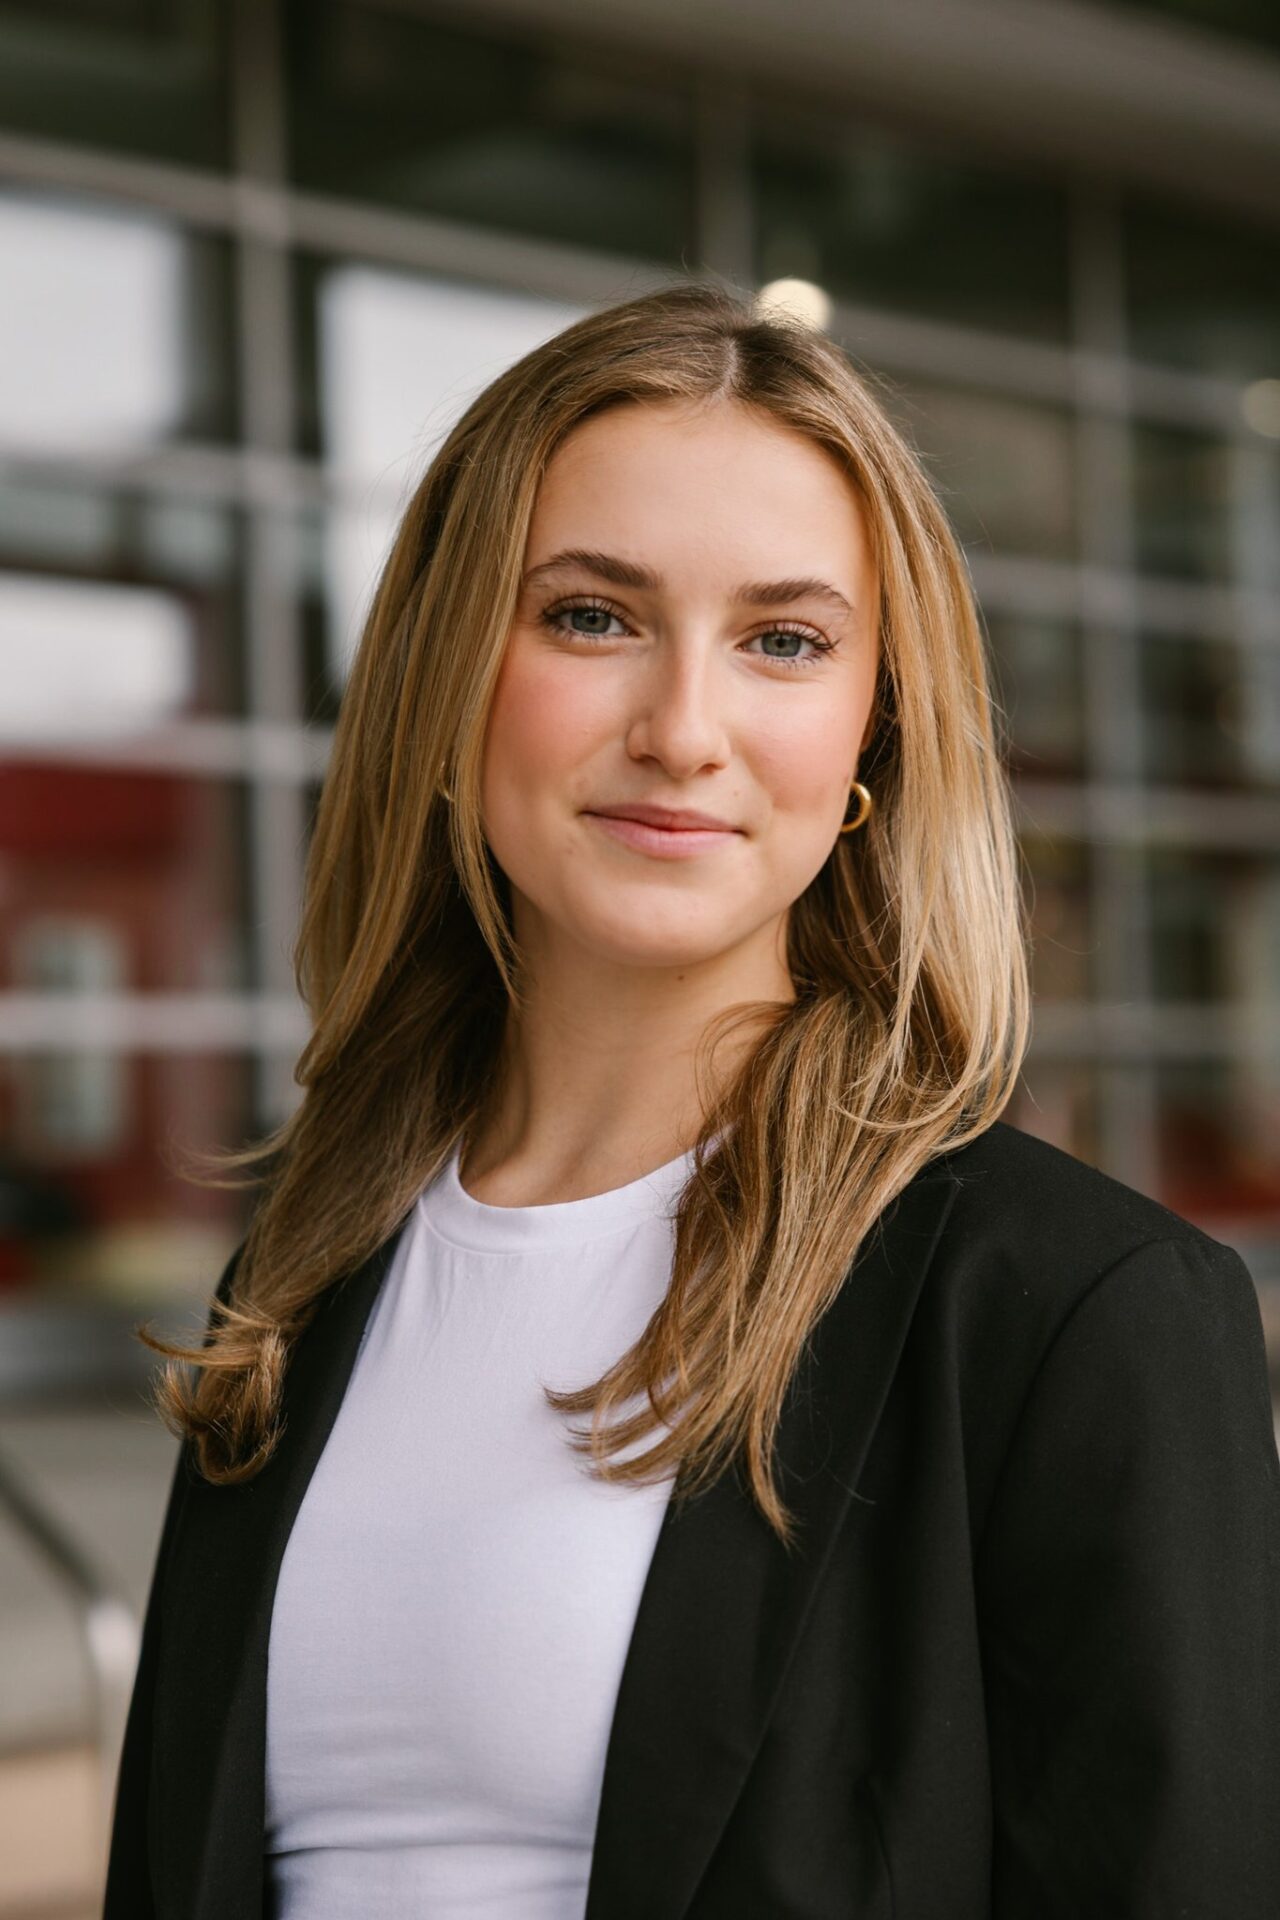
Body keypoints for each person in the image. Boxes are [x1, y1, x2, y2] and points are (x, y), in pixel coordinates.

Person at [103, 281, 1280, 1920]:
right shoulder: (302, 1277)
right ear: (449, 672)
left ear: (872, 731)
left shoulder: (1076, 1313)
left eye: (784, 641)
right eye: (593, 616)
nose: (682, 730)